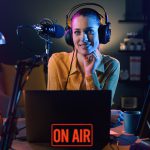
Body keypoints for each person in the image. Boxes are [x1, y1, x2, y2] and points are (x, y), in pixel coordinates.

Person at [47, 6, 123, 124]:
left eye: (90, 31)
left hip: (95, 133)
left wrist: (90, 73)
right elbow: (53, 111)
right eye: (77, 32)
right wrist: (103, 114)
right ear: (70, 36)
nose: (83, 38)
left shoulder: (112, 65)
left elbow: (101, 110)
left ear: (102, 34)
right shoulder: (56, 61)